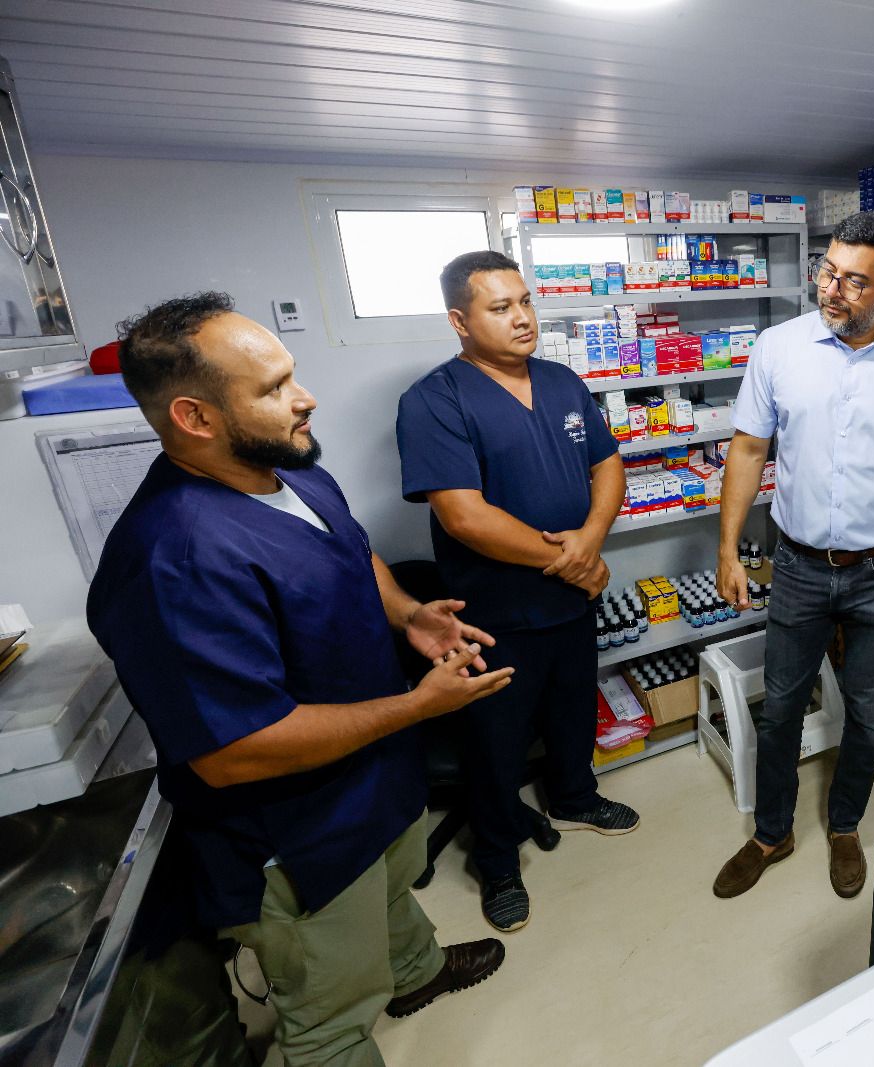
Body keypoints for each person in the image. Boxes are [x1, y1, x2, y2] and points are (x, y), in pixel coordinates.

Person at [87, 292, 513, 1067]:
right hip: (298, 834)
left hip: (372, 780)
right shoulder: (175, 559)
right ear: (195, 417)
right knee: (328, 1004)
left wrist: (409, 615)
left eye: (293, 374)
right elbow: (233, 750)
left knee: (392, 891)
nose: (305, 396)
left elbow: (351, 550)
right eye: (274, 387)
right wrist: (417, 706)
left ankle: (413, 970)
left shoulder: (285, 469)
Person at [713, 211, 874, 900]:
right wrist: (728, 549)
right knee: (780, 707)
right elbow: (748, 449)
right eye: (828, 272)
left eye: (855, 281)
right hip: (798, 564)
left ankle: (845, 824)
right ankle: (772, 832)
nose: (832, 289)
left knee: (868, 709)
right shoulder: (779, 347)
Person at [396, 251, 637, 934]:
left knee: (572, 712)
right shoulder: (434, 400)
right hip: (493, 615)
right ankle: (498, 860)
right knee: (494, 745)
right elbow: (464, 517)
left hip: (570, 605)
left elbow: (608, 465)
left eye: (524, 301)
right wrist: (573, 561)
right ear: (459, 321)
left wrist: (590, 541)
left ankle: (575, 797)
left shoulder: (561, 381)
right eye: (500, 307)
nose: (522, 317)